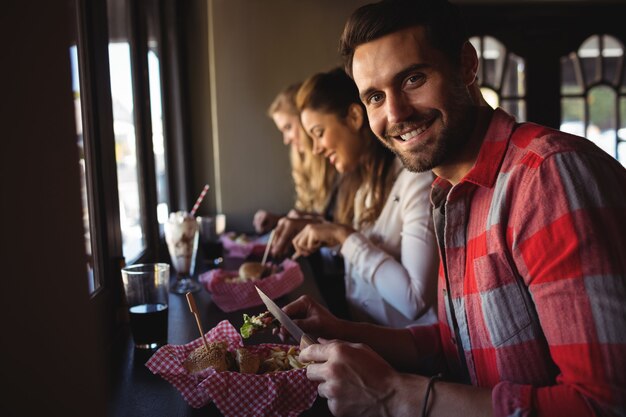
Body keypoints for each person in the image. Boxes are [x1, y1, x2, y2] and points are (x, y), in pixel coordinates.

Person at [278, 1, 626, 416]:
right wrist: (343, 332)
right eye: (374, 96)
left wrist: (393, 393)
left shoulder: (547, 177)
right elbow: (458, 342)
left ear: (466, 65)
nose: (395, 114)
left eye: (413, 78)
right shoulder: (448, 189)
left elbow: (602, 404)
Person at [290, 67, 438, 328]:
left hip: (416, 361)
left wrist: (343, 236)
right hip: (369, 346)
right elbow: (358, 251)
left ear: (354, 117)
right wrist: (318, 230)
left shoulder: (416, 181)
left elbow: (414, 300)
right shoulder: (361, 187)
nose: (316, 149)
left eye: (319, 132)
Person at [253, 82, 337, 234]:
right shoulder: (306, 167)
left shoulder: (339, 162)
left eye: (288, 128)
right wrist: (279, 220)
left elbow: (338, 225)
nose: (286, 140)